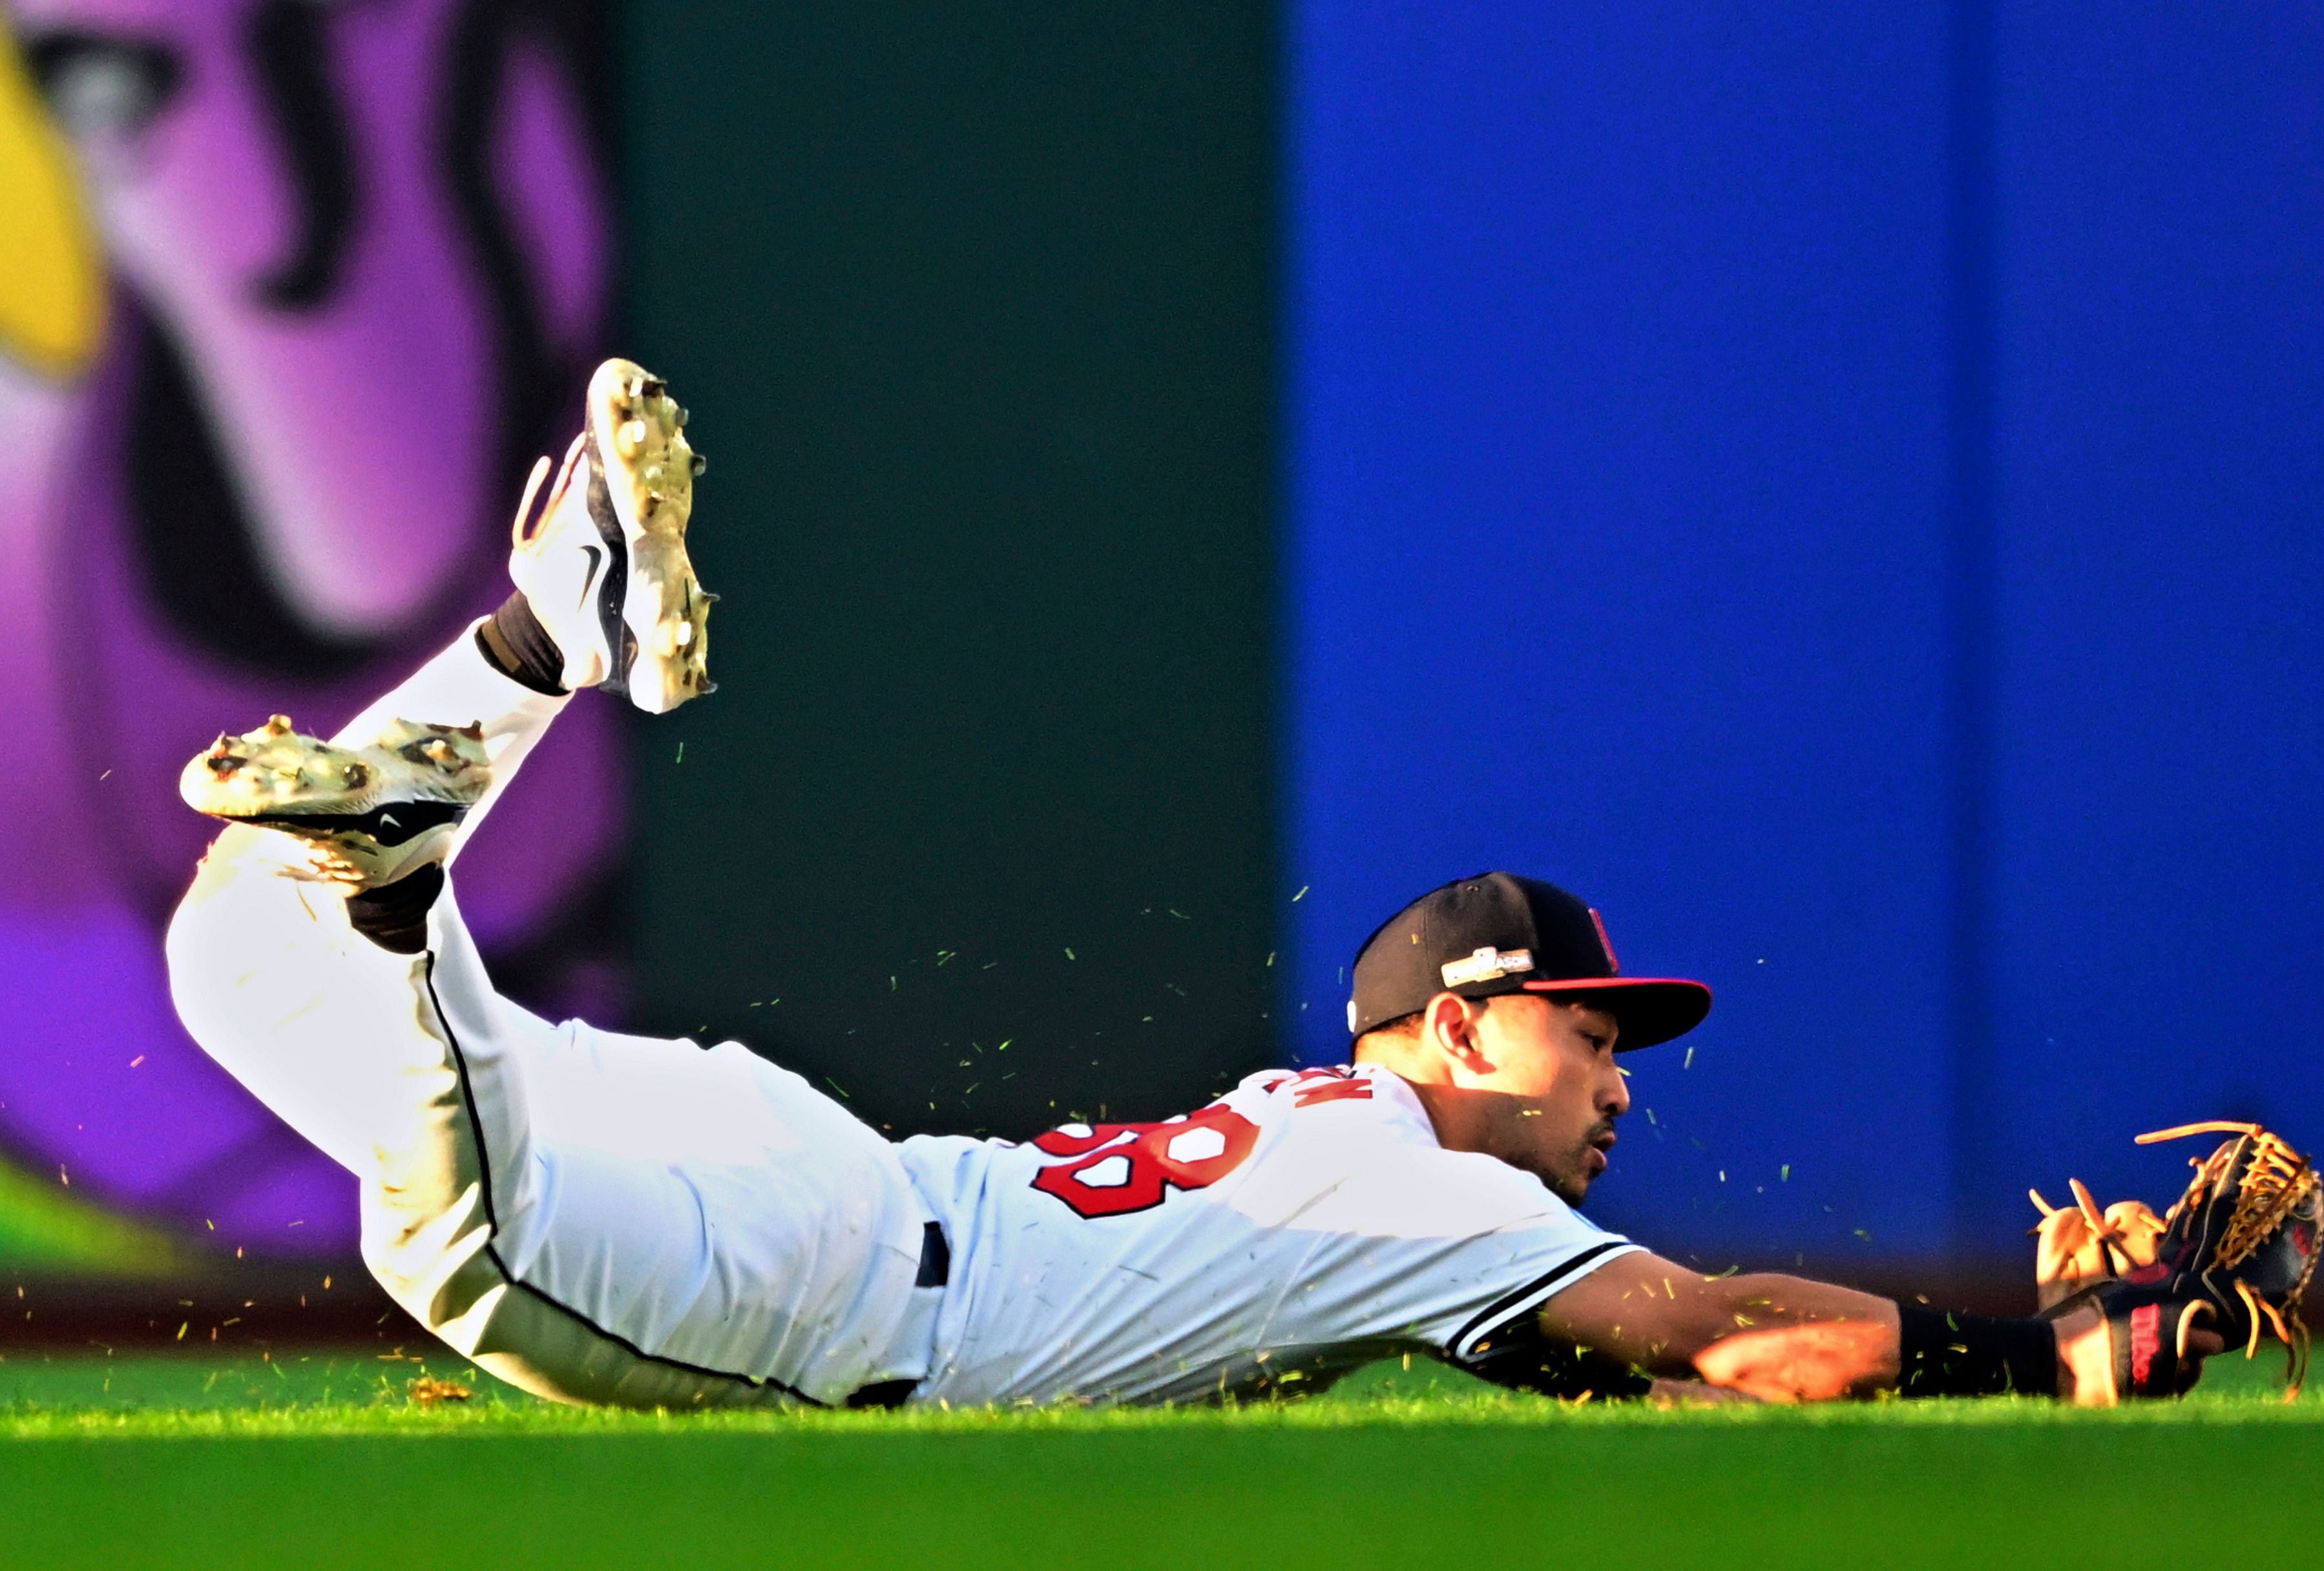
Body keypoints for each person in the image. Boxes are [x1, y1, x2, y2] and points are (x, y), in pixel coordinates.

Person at [166, 361, 2159, 1410]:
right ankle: (403, 892)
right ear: (1452, 1022)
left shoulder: (1337, 1130)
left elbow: (1693, 1347)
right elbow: (1711, 1336)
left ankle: (535, 642)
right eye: (1589, 1028)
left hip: (815, 1168)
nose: (1623, 1077)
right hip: (811, 1271)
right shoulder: (1427, 1188)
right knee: (446, 1225)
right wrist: (2048, 1351)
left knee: (218, 961)